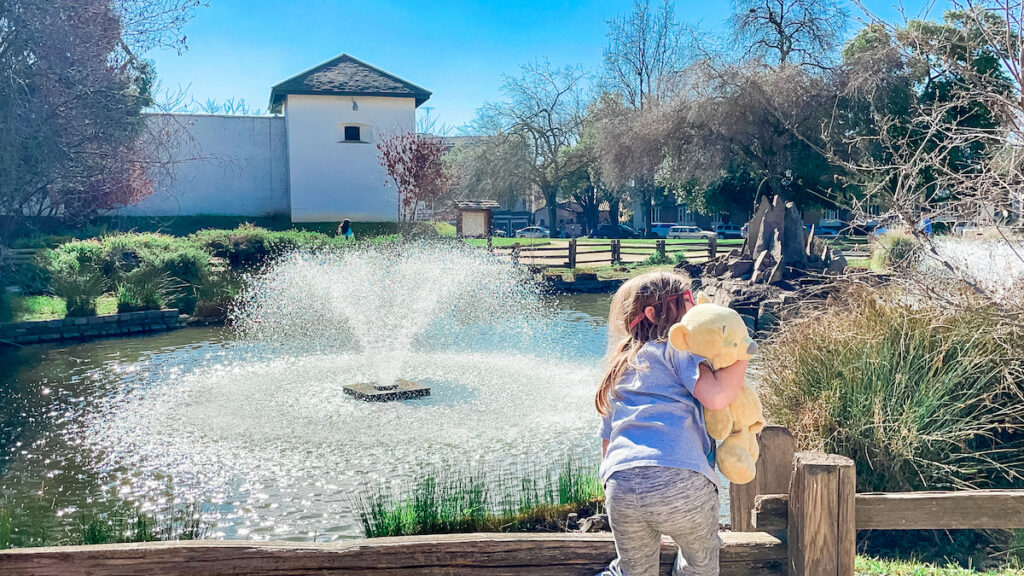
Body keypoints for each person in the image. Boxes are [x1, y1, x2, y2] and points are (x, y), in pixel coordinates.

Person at [596, 270, 749, 576]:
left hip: (621, 484)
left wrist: (643, 502)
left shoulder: (620, 367)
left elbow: (607, 444)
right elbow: (717, 397)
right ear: (654, 315)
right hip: (684, 480)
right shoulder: (678, 349)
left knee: (633, 571)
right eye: (687, 300)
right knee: (699, 566)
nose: (695, 306)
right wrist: (741, 354)